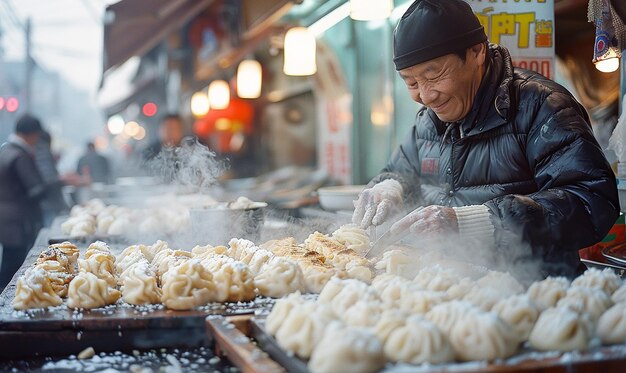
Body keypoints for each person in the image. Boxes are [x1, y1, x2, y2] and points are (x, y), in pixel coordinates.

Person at [353, 0, 620, 277]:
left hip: (533, 290)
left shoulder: (542, 106)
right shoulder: (429, 120)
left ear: (477, 52)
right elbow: (401, 171)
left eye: (434, 75)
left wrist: (476, 222)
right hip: (449, 289)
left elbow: (592, 200)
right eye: (411, 82)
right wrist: (390, 187)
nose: (426, 95)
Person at [0, 115, 47, 290]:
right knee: (13, 268)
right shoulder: (20, 156)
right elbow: (36, 189)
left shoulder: (6, 150)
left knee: (9, 261)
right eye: (37, 136)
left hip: (6, 219)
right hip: (17, 221)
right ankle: (5, 308)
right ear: (30, 134)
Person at [35, 131, 70, 226]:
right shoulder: (42, 151)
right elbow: (49, 178)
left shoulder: (35, 151)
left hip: (44, 204)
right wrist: (64, 179)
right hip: (50, 203)